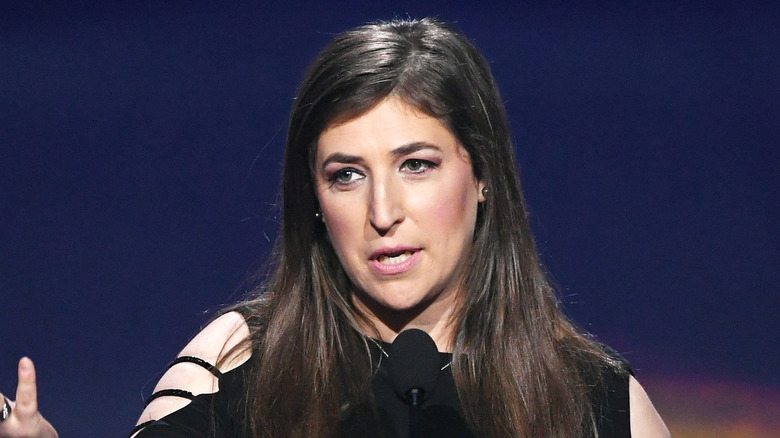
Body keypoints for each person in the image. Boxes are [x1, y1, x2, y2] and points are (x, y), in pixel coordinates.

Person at [0, 18, 669, 438]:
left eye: (416, 165)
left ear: (483, 175)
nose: (383, 213)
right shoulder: (233, 368)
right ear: (314, 199)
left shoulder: (595, 402)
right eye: (347, 175)